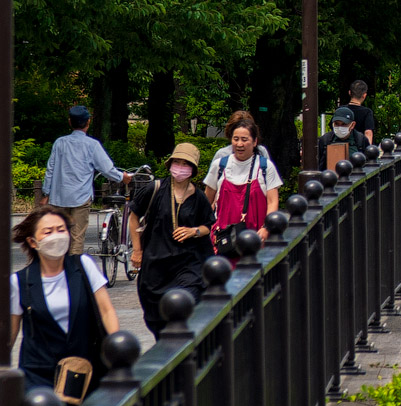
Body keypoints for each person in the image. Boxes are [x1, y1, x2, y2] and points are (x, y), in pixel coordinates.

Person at [11, 205, 120, 397]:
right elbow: (9, 334)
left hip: (85, 371)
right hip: (40, 377)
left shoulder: (83, 266)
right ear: (33, 242)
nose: (57, 236)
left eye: (61, 230)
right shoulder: (19, 282)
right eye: (48, 232)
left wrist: (116, 348)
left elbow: (106, 311)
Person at [127, 142, 216, 336]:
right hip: (155, 265)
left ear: (193, 169)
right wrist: (137, 250)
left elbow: (208, 226)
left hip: (188, 264)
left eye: (186, 163)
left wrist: (194, 231)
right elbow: (133, 216)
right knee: (155, 315)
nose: (180, 167)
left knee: (185, 303)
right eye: (177, 162)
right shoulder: (155, 189)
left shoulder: (199, 197)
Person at [36, 105, 132, 256]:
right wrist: (123, 177)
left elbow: (50, 170)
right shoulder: (92, 145)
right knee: (76, 238)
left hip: (59, 198)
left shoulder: (59, 143)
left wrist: (46, 193)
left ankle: (59, 270)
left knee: (59, 237)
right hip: (80, 198)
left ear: (70, 122)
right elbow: (107, 169)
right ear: (88, 122)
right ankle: (73, 272)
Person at [204, 112, 282, 248]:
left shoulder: (265, 167)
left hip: (258, 239)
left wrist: (266, 228)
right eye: (236, 139)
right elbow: (206, 202)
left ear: (254, 141)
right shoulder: (219, 165)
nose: (239, 144)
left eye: (244, 139)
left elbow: (272, 201)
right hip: (224, 240)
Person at [343, 80, 377, 145]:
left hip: (341, 146)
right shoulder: (367, 112)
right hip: (359, 147)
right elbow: (368, 132)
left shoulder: (341, 110)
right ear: (364, 95)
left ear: (349, 92)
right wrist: (368, 150)